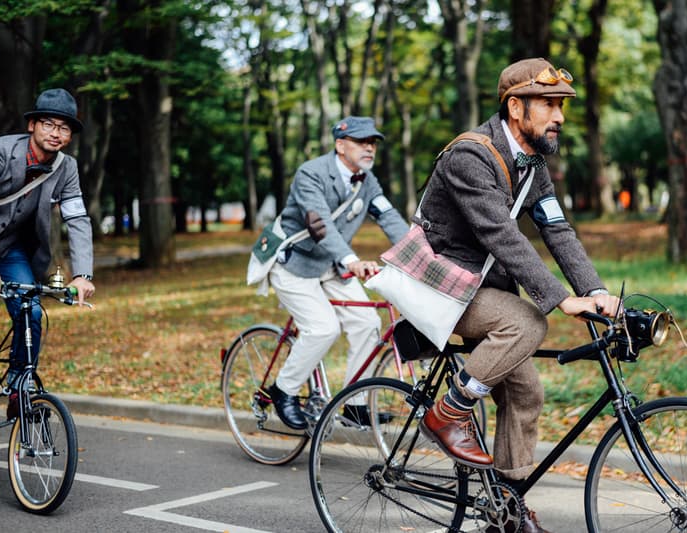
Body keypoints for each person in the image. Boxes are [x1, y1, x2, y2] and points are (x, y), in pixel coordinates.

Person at [416, 58, 620, 533]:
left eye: (562, 106)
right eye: (549, 104)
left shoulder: (532, 162)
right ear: (515, 107)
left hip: (480, 287)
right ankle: (449, 412)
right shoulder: (470, 156)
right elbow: (500, 235)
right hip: (442, 285)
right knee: (527, 322)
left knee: (527, 392)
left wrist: (594, 289)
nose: (560, 116)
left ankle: (505, 508)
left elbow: (557, 228)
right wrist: (558, 298)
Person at [266, 116, 408, 430]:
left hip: (329, 266)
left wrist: (419, 257)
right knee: (322, 329)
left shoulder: (368, 181)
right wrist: (350, 259)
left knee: (368, 323)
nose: (369, 148)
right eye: (361, 142)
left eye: (372, 143)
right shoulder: (311, 173)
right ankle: (283, 391)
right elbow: (319, 225)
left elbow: (390, 219)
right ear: (340, 145)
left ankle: (354, 405)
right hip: (295, 265)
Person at [0, 88, 95, 419]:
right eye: (49, 124)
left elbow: (77, 217)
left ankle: (18, 389)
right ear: (32, 126)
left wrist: (83, 274)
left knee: (32, 312)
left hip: (11, 250)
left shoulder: (66, 169)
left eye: (64, 128)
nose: (56, 133)